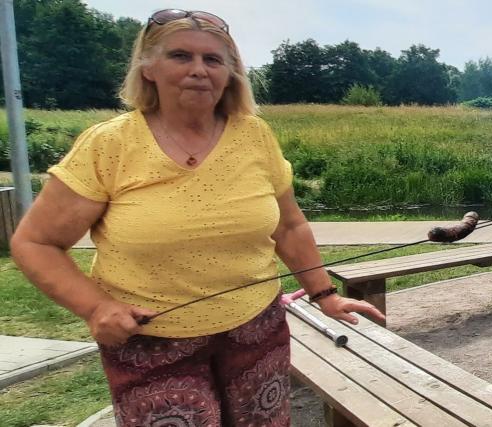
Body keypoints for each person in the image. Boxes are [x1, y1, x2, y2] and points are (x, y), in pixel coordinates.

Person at [10, 10, 383, 425]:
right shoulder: (110, 144)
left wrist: (324, 295)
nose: (198, 71)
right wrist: (96, 308)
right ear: (148, 67)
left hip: (256, 330)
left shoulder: (254, 135)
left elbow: (289, 226)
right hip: (151, 342)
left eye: (213, 60)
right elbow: (36, 242)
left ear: (230, 74)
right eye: (180, 56)